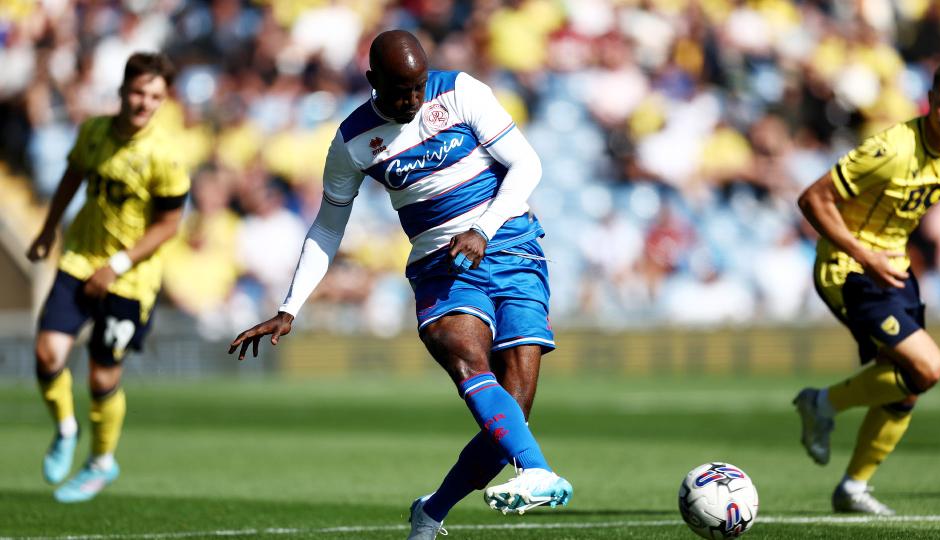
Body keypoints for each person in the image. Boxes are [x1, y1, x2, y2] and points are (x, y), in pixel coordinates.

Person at [228, 30, 573, 539]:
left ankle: (431, 512)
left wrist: (482, 229)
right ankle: (538, 471)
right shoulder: (352, 141)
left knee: (512, 416)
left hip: (512, 245)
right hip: (440, 264)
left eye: (417, 86)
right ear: (373, 80)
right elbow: (327, 228)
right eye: (399, 90)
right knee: (463, 356)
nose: (412, 99)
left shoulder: (461, 91)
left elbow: (527, 163)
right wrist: (289, 307)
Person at [793, 61, 940, 515]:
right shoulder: (891, 149)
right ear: (930, 101)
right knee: (929, 367)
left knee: (906, 386)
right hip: (848, 268)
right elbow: (812, 199)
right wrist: (865, 256)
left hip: (894, 269)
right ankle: (822, 404)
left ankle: (853, 488)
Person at [27, 52, 189, 503]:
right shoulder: (94, 132)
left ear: (163, 101)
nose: (144, 103)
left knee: (101, 377)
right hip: (80, 258)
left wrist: (115, 266)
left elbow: (168, 225)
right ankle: (66, 429)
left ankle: (101, 463)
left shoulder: (165, 155)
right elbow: (71, 177)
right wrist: (47, 229)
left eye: (154, 97)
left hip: (130, 278)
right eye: (138, 92)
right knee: (46, 353)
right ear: (122, 90)